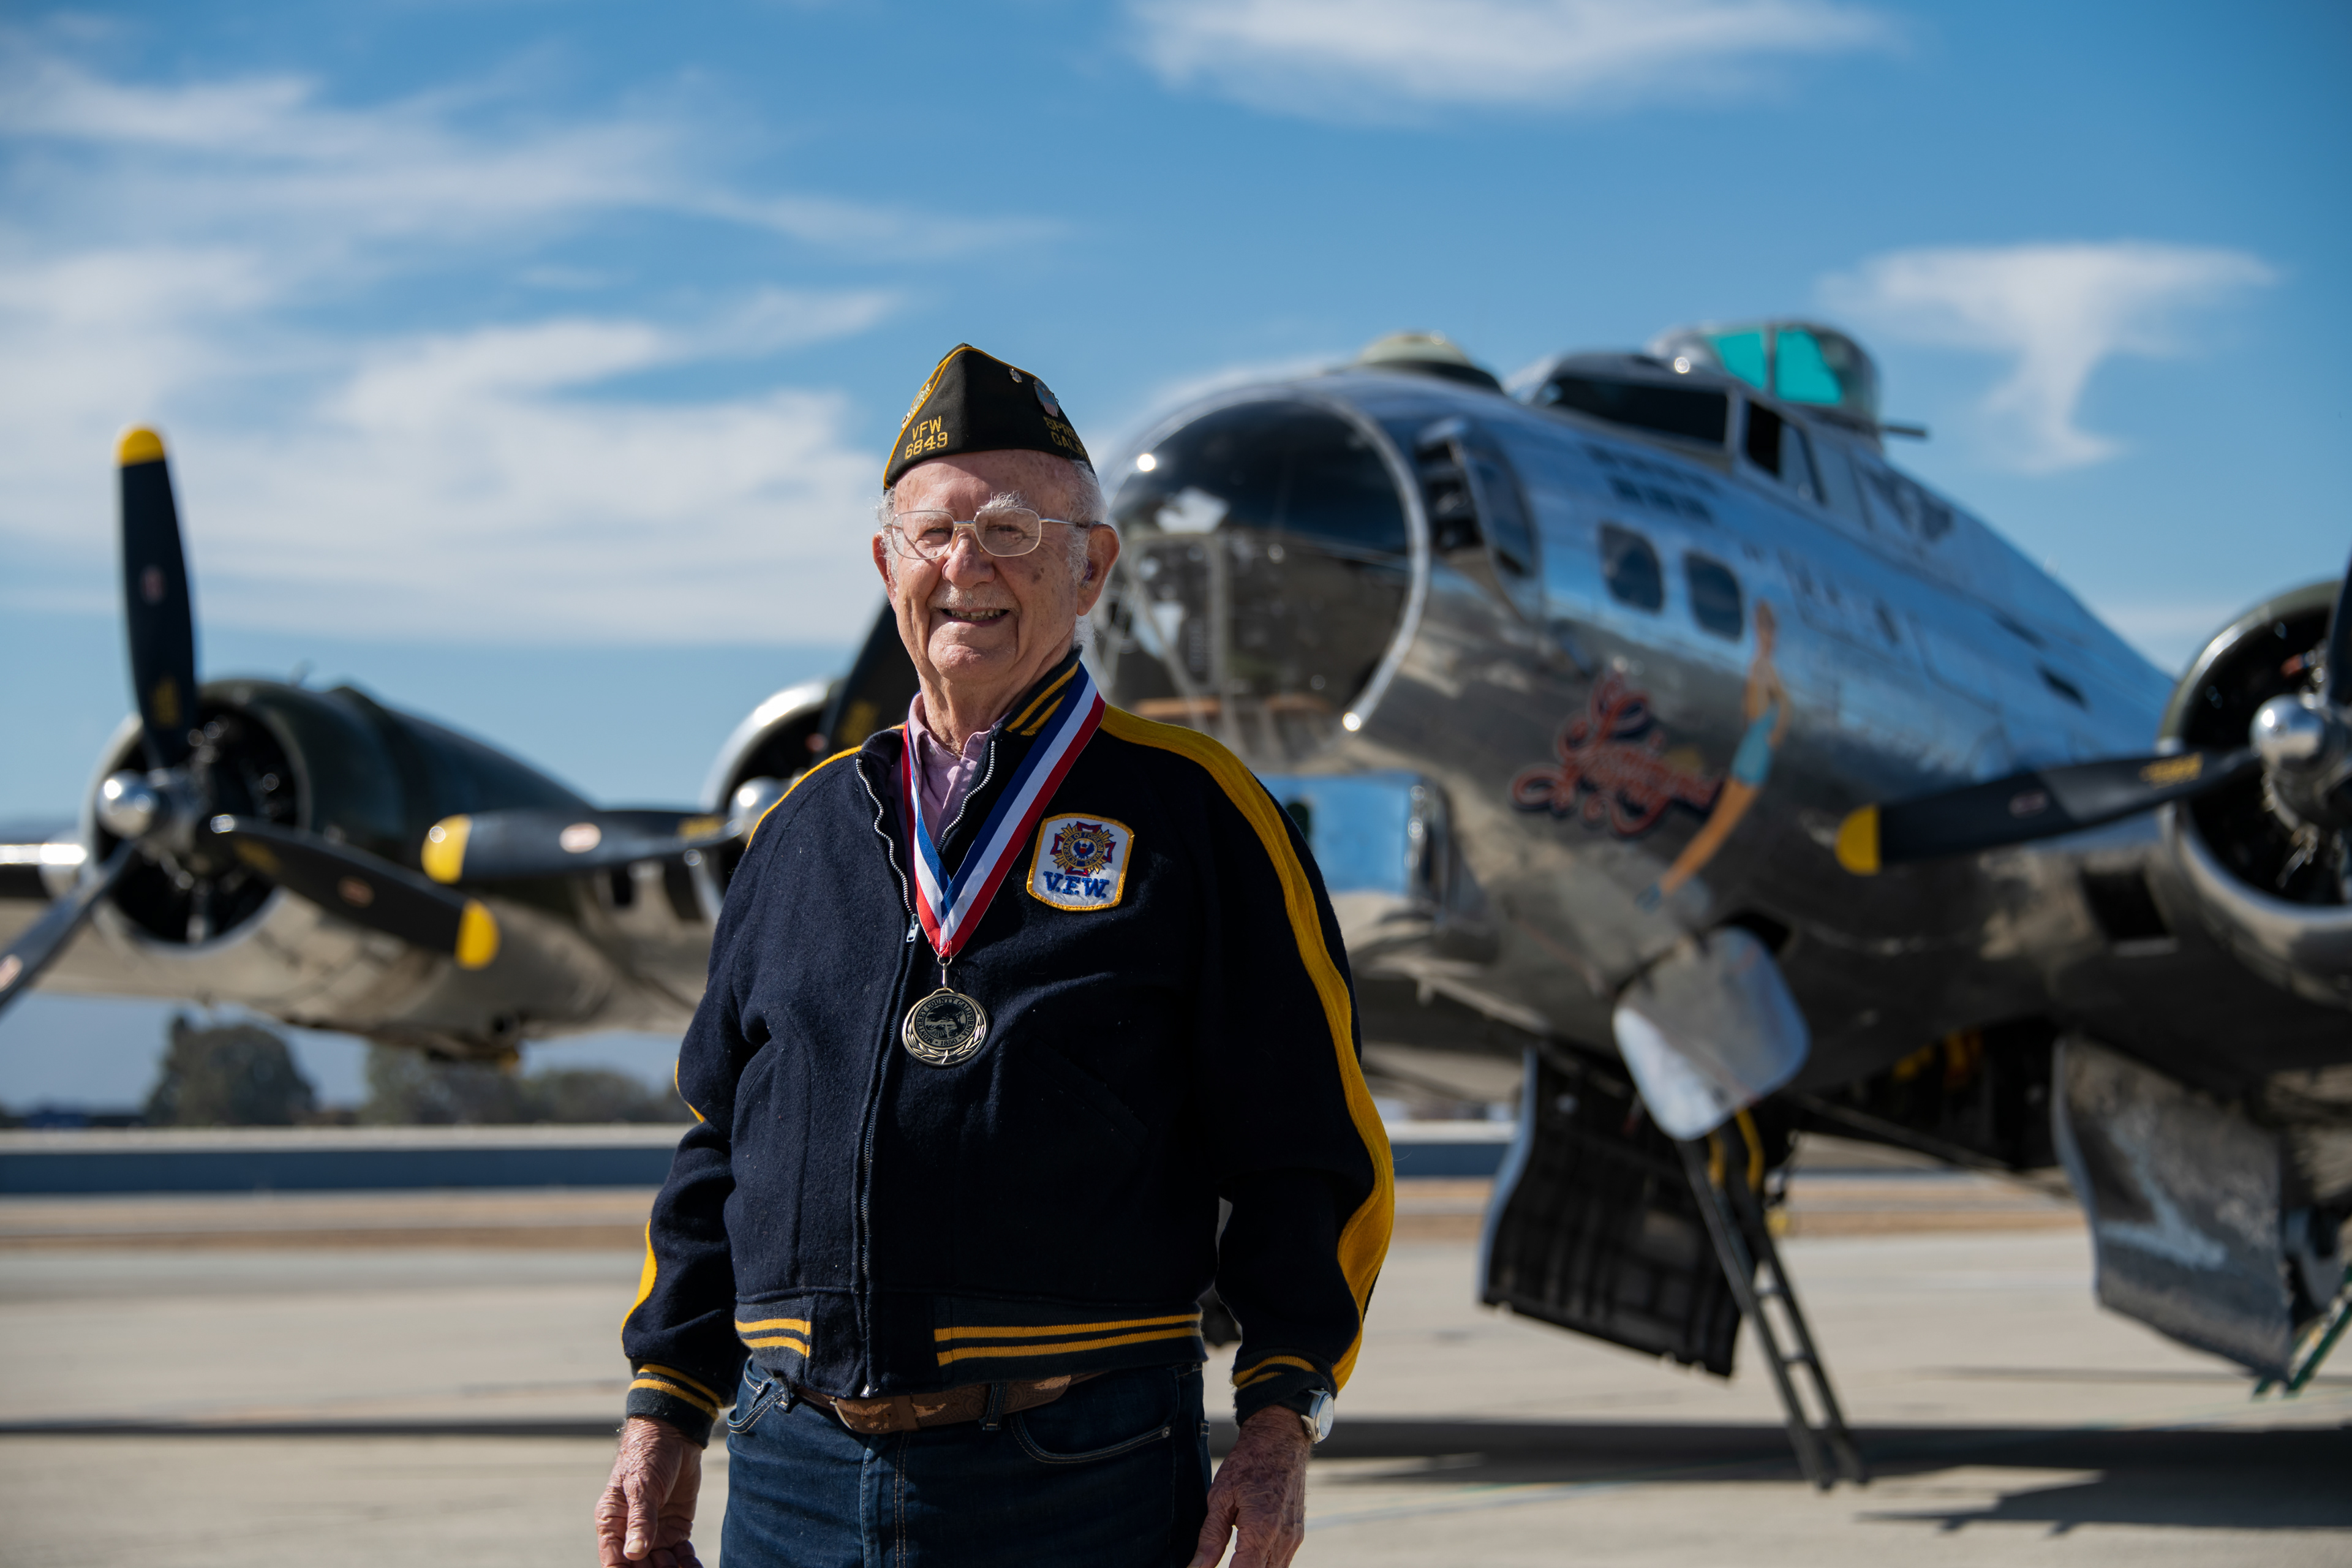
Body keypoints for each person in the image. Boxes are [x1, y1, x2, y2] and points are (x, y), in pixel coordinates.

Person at [595, 344, 1394, 1568]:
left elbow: (1313, 1144)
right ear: (885, 567)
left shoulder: (1199, 812)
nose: (967, 566)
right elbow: (717, 1145)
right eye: (933, 535)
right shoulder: (799, 827)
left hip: (1077, 1470)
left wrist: (1282, 1411)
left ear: (1092, 568)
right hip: (789, 1468)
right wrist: (666, 1405)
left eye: (1015, 529)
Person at [1646, 600, 1790, 905]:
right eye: (1767, 631)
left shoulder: (1766, 670)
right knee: (1717, 831)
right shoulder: (1762, 669)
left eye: (1772, 631)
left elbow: (1770, 717)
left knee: (1718, 830)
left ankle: (1666, 885)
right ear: (1760, 632)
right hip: (1755, 755)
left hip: (1757, 754)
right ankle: (1667, 886)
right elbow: (1758, 714)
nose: (1771, 638)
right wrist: (1773, 718)